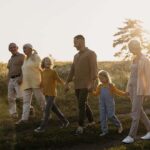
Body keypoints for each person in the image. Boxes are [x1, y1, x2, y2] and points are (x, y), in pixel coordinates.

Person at [65, 35, 97, 135]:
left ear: (82, 41)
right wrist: (67, 82)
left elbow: (94, 69)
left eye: (76, 42)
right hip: (77, 84)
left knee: (81, 104)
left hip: (86, 84)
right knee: (83, 103)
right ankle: (91, 121)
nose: (74, 44)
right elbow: (72, 70)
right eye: (74, 42)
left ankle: (80, 126)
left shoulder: (91, 53)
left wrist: (92, 83)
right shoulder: (76, 56)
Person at [122, 40, 150, 144]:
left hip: (140, 89)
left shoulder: (145, 60)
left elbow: (148, 77)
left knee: (134, 112)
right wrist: (128, 89)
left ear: (135, 47)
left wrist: (148, 92)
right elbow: (131, 75)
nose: (129, 50)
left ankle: (131, 136)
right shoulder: (133, 59)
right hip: (132, 88)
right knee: (139, 111)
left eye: (130, 48)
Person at [34, 56, 69, 133]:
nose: (48, 62)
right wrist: (38, 86)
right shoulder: (42, 72)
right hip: (46, 93)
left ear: (50, 63)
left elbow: (59, 80)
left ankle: (42, 127)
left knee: (47, 110)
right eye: (46, 61)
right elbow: (43, 82)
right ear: (43, 63)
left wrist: (65, 85)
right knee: (55, 110)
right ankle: (65, 122)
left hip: (52, 94)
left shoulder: (53, 72)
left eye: (49, 61)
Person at [16, 43, 46, 124]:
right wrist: (21, 79)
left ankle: (46, 116)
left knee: (41, 100)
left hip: (36, 82)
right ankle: (24, 119)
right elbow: (24, 71)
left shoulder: (36, 57)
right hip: (26, 83)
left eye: (25, 48)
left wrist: (43, 81)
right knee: (26, 102)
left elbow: (41, 69)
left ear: (30, 49)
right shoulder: (25, 59)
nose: (24, 50)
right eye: (23, 48)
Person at [92, 70, 126, 136]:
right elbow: (96, 94)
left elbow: (117, 92)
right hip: (102, 104)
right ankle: (104, 131)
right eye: (99, 78)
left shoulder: (110, 86)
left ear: (106, 77)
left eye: (102, 78)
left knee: (110, 116)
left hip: (110, 104)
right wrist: (91, 91)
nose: (101, 80)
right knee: (102, 117)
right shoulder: (100, 86)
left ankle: (119, 126)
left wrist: (125, 94)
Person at [7, 43, 25, 119]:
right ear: (9, 49)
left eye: (14, 47)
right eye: (11, 48)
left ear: (17, 48)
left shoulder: (22, 56)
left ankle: (29, 110)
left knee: (21, 97)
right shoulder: (10, 59)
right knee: (10, 98)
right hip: (11, 80)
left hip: (18, 78)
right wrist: (8, 80)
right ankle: (13, 114)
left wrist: (21, 78)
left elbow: (25, 68)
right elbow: (9, 70)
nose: (12, 49)